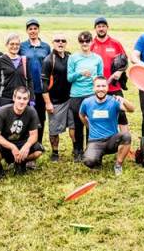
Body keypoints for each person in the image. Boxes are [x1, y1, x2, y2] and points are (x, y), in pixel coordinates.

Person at [79, 76, 135, 176]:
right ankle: (97, 159)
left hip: (112, 140)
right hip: (95, 141)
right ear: (93, 88)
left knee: (126, 136)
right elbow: (81, 115)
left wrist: (123, 100)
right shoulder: (87, 102)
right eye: (98, 86)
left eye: (103, 86)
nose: (101, 89)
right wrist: (88, 126)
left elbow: (132, 109)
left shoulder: (113, 101)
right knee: (89, 161)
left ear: (107, 88)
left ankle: (118, 165)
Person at [0, 86, 44, 179]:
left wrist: (27, 146)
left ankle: (20, 163)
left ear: (28, 100)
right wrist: (12, 147)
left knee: (38, 151)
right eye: (19, 98)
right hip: (5, 143)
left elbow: (34, 135)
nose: (21, 101)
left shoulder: (31, 112)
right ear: (14, 98)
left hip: (21, 142)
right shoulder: (2, 111)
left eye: (24, 99)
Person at [67, 31, 104, 161]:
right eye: (82, 41)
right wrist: (80, 73)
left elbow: (101, 77)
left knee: (91, 124)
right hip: (77, 95)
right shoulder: (73, 58)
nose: (85, 43)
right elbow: (69, 78)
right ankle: (78, 150)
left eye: (87, 41)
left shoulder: (97, 58)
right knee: (78, 125)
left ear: (91, 42)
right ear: (79, 42)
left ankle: (90, 150)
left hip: (91, 95)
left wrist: (95, 78)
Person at [90, 17, 130, 132]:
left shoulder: (115, 44)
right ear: (95, 28)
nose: (101, 29)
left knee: (121, 115)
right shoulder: (91, 45)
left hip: (114, 87)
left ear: (107, 27)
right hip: (98, 88)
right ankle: (101, 139)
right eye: (99, 26)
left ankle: (125, 139)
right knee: (98, 115)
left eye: (103, 26)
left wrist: (120, 71)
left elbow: (125, 61)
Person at [41, 33, 74, 161]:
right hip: (55, 101)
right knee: (54, 130)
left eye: (63, 40)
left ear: (66, 43)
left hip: (70, 98)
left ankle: (76, 150)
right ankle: (55, 153)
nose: (60, 43)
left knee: (73, 126)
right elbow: (44, 84)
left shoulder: (70, 57)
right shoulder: (49, 60)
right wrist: (48, 103)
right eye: (57, 40)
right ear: (53, 43)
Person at [20, 18, 52, 146]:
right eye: (30, 29)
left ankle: (38, 143)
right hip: (26, 87)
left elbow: (50, 65)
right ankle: (26, 142)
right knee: (26, 116)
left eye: (35, 28)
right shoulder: (22, 46)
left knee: (40, 117)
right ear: (27, 31)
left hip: (41, 88)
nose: (33, 31)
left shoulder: (46, 47)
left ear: (38, 30)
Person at [0, 33, 33, 109]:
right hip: (5, 99)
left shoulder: (24, 60)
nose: (14, 46)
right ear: (6, 45)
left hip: (21, 99)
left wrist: (31, 98)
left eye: (17, 44)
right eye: (12, 44)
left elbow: (30, 80)